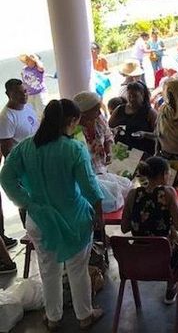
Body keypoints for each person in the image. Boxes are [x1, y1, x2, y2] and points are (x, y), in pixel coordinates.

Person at [0, 99, 104, 330]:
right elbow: (90, 188)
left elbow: (6, 178)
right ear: (70, 121)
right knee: (77, 270)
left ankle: (53, 317)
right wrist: (99, 217)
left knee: (48, 270)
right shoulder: (73, 149)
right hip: (73, 219)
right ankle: (84, 315)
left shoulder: (26, 147)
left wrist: (27, 201)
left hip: (39, 220)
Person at [121, 156, 178, 303]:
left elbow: (124, 228)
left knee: (168, 235)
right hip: (165, 257)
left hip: (137, 257)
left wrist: (142, 219)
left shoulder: (132, 195)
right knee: (173, 236)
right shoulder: (168, 193)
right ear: (163, 175)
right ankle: (170, 287)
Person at [0, 79, 39, 250]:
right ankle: (32, 237)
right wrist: (20, 172)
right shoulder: (6, 117)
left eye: (24, 91)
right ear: (8, 94)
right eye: (17, 93)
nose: (23, 95)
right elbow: (7, 150)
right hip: (21, 168)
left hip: (36, 162)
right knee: (26, 203)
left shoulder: (29, 108)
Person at [109, 81, 157, 155]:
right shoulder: (119, 109)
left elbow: (158, 135)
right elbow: (108, 128)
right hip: (121, 152)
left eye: (135, 96)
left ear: (142, 95)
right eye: (129, 96)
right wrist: (114, 130)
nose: (131, 99)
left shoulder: (150, 112)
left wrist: (144, 134)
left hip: (141, 152)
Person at [72, 92, 113, 174]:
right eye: (96, 110)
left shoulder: (99, 119)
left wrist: (108, 152)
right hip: (89, 173)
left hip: (105, 167)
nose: (100, 113)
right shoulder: (74, 131)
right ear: (84, 114)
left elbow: (108, 135)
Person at [18, 53, 47, 119]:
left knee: (41, 112)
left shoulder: (38, 68)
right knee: (31, 113)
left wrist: (36, 59)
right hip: (29, 94)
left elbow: (41, 67)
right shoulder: (24, 69)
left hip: (39, 93)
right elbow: (24, 81)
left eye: (30, 60)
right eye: (27, 60)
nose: (28, 61)